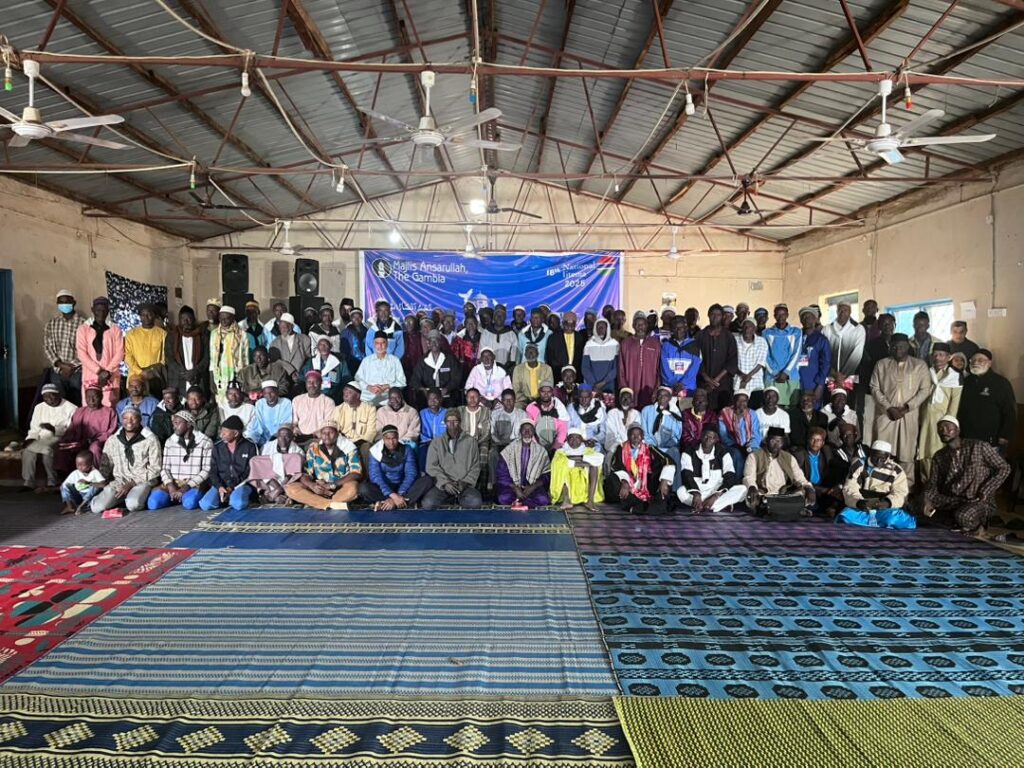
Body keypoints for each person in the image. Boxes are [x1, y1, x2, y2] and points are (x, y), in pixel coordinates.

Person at [922, 415, 1011, 533]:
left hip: (977, 500)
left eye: (948, 427)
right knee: (916, 507)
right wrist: (927, 499)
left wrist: (985, 491)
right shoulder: (939, 456)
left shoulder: (979, 446)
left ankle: (978, 523)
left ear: (958, 430)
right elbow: (933, 483)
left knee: (963, 516)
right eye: (940, 429)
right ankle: (951, 520)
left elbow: (1004, 468)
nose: (944, 431)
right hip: (952, 500)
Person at [871, 333, 932, 482]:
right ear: (890, 347)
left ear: (908, 347)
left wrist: (906, 408)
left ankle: (906, 488)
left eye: (902, 346)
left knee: (907, 452)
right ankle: (881, 484)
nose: (898, 349)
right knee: (883, 450)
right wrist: (889, 407)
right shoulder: (881, 364)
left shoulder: (919, 365)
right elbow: (874, 387)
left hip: (909, 415)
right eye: (894, 347)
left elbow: (925, 390)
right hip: (886, 415)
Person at [90, 406, 162, 514]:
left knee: (133, 504)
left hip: (142, 480)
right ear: (121, 420)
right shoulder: (113, 440)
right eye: (125, 418)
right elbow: (105, 465)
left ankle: (138, 496)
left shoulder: (150, 439)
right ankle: (119, 499)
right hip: (120, 481)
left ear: (140, 419)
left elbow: (156, 468)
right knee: (97, 507)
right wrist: (99, 480)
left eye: (133, 418)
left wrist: (132, 483)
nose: (129, 421)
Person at [836, 439, 915, 529]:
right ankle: (879, 523)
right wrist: (859, 502)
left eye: (882, 458)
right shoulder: (859, 464)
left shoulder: (896, 470)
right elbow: (850, 487)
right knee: (845, 516)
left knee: (892, 518)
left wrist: (888, 503)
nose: (878, 461)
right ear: (870, 453)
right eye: (875, 457)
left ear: (888, 456)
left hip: (885, 508)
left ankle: (874, 521)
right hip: (863, 507)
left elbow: (901, 493)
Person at [285, 420, 362, 509]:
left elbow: (356, 473)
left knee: (353, 488)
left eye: (331, 432)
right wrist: (312, 485)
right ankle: (332, 504)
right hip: (319, 489)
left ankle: (319, 503)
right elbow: (305, 474)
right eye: (324, 433)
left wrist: (332, 485)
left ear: (337, 434)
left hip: (339, 488)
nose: (327, 436)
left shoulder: (348, 447)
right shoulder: (314, 449)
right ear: (320, 435)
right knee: (290, 488)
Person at [146, 410, 213, 510]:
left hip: (194, 484)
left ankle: (182, 497)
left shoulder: (205, 442)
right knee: (153, 503)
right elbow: (165, 469)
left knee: (189, 503)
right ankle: (173, 497)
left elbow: (206, 470)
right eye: (173, 424)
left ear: (189, 424)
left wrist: (186, 487)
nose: (174, 427)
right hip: (174, 483)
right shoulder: (170, 441)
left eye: (177, 423)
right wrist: (170, 486)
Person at [604, 423, 674, 515]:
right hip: (628, 486)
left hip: (647, 486)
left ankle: (636, 506)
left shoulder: (650, 448)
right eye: (633, 435)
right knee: (612, 480)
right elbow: (616, 466)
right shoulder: (621, 448)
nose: (636, 438)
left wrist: (664, 481)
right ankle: (641, 505)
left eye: (639, 435)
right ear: (628, 436)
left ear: (643, 436)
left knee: (665, 481)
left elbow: (668, 460)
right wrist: (625, 482)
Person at [916, 342, 962, 482]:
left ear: (948, 357)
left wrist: (948, 426)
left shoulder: (954, 376)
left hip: (941, 423)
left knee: (937, 452)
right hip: (924, 420)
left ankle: (937, 484)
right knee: (923, 451)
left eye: (941, 355)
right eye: (935, 355)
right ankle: (925, 484)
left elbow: (954, 403)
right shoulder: (926, 372)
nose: (937, 358)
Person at [743, 427, 815, 515]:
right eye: (773, 440)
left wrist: (809, 488)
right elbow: (749, 477)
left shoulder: (789, 458)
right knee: (751, 495)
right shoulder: (754, 456)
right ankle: (793, 509)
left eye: (779, 441)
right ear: (766, 440)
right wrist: (752, 487)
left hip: (784, 494)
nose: (776, 444)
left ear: (783, 443)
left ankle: (772, 509)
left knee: (802, 492)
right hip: (763, 494)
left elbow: (800, 477)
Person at [677, 424, 747, 514]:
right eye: (705, 436)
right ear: (701, 436)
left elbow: (730, 476)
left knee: (743, 489)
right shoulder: (689, 452)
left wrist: (715, 495)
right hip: (697, 491)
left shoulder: (722, 453)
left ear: (716, 439)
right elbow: (687, 475)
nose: (708, 439)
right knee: (680, 492)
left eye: (711, 437)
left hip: (716, 491)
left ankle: (703, 505)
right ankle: (713, 505)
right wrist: (696, 494)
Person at [21, 384, 78, 492]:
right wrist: (30, 438)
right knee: (27, 451)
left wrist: (54, 429)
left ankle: (52, 481)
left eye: (52, 395)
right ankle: (28, 482)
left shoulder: (71, 408)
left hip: (60, 437)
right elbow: (34, 428)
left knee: (47, 450)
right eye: (46, 396)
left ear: (59, 394)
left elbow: (71, 430)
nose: (49, 399)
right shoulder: (39, 407)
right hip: (41, 437)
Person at [360, 424, 433, 509]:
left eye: (394, 438)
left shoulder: (407, 449)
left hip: (404, 486)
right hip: (384, 488)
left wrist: (399, 494)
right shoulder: (375, 451)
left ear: (398, 437)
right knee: (363, 488)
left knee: (427, 480)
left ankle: (388, 504)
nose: (391, 442)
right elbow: (376, 477)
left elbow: (410, 474)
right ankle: (403, 503)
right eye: (388, 439)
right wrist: (393, 495)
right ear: (383, 439)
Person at [422, 410, 483, 508]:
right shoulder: (436, 442)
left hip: (463, 485)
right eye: (449, 421)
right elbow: (431, 467)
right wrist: (445, 483)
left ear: (460, 422)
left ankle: (457, 498)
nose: (452, 424)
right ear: (445, 423)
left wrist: (464, 483)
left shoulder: (471, 441)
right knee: (428, 503)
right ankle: (451, 498)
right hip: (444, 486)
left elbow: (475, 466)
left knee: (476, 502)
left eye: (455, 421)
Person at [957, 349, 1015, 451]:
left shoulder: (1001, 383)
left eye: (980, 360)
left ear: (989, 363)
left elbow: (1010, 411)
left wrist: (1004, 435)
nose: (975, 363)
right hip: (966, 438)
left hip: (991, 440)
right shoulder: (966, 382)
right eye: (973, 360)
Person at [55, 383, 118, 474]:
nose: (91, 400)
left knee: (94, 447)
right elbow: (72, 428)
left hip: (99, 442)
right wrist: (66, 439)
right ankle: (64, 476)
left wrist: (97, 440)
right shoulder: (79, 411)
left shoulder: (109, 411)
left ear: (101, 396)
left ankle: (97, 475)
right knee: (61, 446)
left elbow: (111, 431)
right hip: (80, 441)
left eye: (95, 397)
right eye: (88, 397)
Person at [198, 415, 258, 511]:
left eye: (225, 432)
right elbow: (213, 471)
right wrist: (219, 487)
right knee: (206, 505)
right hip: (222, 484)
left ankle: (235, 498)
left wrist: (231, 487)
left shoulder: (250, 446)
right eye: (221, 432)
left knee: (238, 503)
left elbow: (250, 472)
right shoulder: (217, 447)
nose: (221, 435)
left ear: (236, 433)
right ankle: (225, 499)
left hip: (242, 484)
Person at [75, 296, 124, 408]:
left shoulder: (115, 329)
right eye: (98, 310)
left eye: (104, 310)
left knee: (110, 406)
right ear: (92, 310)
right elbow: (81, 353)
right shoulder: (83, 329)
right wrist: (99, 371)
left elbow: (120, 352)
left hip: (110, 375)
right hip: (90, 374)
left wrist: (107, 372)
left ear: (108, 310)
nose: (101, 313)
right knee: (91, 405)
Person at [492, 421, 551, 509]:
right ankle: (525, 502)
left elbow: (546, 474)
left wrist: (533, 486)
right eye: (524, 429)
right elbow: (501, 473)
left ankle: (518, 502)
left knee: (543, 500)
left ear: (533, 432)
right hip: (512, 487)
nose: (527, 432)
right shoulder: (510, 449)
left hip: (532, 487)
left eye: (530, 430)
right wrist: (515, 488)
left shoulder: (541, 451)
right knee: (503, 498)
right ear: (520, 431)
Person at [43, 289, 84, 405]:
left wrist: (71, 366)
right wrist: (61, 365)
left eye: (67, 301)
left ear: (74, 302)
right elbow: (47, 347)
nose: (64, 304)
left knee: (78, 402)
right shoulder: (51, 324)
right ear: (57, 304)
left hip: (78, 371)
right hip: (57, 370)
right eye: (61, 302)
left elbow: (86, 349)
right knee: (59, 403)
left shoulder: (84, 324)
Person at [859, 312, 895, 443]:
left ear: (895, 325)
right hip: (872, 390)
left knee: (888, 422)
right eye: (884, 323)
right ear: (879, 326)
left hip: (893, 392)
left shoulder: (901, 343)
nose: (887, 326)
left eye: (890, 323)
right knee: (869, 421)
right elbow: (865, 368)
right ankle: (869, 448)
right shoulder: (871, 345)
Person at [693, 304, 737, 411]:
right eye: (712, 314)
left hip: (722, 383)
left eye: (718, 315)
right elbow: (695, 359)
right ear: (708, 315)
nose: (715, 317)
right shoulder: (700, 336)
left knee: (723, 413)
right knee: (703, 412)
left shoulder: (728, 336)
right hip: (703, 383)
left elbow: (732, 360)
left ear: (722, 316)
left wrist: (716, 379)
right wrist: (707, 378)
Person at [247, 423, 304, 504]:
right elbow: (263, 469)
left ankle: (274, 496)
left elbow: (295, 474)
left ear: (292, 437)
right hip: (270, 482)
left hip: (287, 482)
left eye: (287, 436)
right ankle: (277, 495)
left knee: (297, 457)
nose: (283, 439)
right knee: (254, 460)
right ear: (277, 436)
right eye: (280, 436)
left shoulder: (298, 451)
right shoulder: (267, 447)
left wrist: (279, 488)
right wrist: (277, 489)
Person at [823, 300, 865, 410]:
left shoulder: (858, 329)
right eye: (840, 310)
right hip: (830, 376)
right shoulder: (827, 329)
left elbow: (857, 354)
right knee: (829, 407)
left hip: (849, 377)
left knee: (847, 407)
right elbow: (823, 354)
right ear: (836, 311)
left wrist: (842, 376)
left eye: (845, 310)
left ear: (850, 312)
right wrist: (833, 373)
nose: (842, 312)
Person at [550, 427, 604, 511]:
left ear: (582, 440)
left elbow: (597, 460)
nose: (574, 440)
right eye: (571, 438)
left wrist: (573, 460)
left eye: (577, 438)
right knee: (562, 469)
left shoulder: (588, 450)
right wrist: (583, 462)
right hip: (568, 478)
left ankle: (590, 501)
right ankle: (566, 499)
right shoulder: (560, 451)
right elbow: (557, 464)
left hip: (583, 477)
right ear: (567, 439)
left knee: (594, 467)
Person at [793, 427, 842, 516]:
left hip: (823, 489)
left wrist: (835, 487)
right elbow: (798, 479)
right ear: (808, 440)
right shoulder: (800, 454)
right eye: (813, 439)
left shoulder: (826, 454)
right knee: (806, 498)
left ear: (823, 443)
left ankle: (827, 508)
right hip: (807, 488)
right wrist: (819, 489)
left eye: (818, 440)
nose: (815, 443)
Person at [763, 304, 802, 408]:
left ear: (787, 315)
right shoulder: (766, 333)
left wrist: (786, 372)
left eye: (783, 314)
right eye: (778, 314)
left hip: (791, 376)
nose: (781, 317)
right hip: (772, 377)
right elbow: (765, 355)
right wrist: (775, 372)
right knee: (772, 406)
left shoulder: (796, 332)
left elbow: (796, 353)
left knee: (791, 407)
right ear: (774, 316)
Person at [619, 313, 661, 408]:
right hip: (631, 385)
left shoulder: (655, 343)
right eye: (637, 324)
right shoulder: (626, 343)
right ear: (633, 326)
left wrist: (657, 388)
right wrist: (624, 387)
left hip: (650, 386)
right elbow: (621, 368)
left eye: (643, 324)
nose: (640, 327)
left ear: (647, 325)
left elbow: (659, 368)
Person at [165, 306, 210, 397]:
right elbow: (169, 358)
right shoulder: (172, 336)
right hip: (178, 378)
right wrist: (183, 373)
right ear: (179, 320)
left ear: (194, 320)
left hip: (198, 377)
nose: (186, 322)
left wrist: (195, 371)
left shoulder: (203, 335)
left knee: (198, 401)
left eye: (189, 319)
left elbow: (207, 356)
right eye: (183, 319)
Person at [123, 303, 167, 395]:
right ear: (140, 316)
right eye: (143, 315)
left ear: (154, 315)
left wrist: (153, 371)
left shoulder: (162, 333)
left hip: (155, 376)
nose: (146, 317)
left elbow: (165, 355)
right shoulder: (131, 334)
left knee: (155, 401)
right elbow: (127, 355)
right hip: (135, 376)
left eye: (149, 314)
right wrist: (140, 372)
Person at [409, 331, 459, 408]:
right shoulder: (422, 361)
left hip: (447, 395)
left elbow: (456, 378)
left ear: (440, 342)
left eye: (436, 341)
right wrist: (423, 389)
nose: (434, 344)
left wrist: (447, 389)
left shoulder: (450, 359)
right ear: (428, 344)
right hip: (428, 397)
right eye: (431, 341)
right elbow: (415, 379)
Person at [209, 304, 248, 404]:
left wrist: (243, 379)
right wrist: (211, 379)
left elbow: (245, 358)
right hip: (219, 375)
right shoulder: (214, 334)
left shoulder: (241, 334)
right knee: (221, 404)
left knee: (234, 401)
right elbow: (212, 359)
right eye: (221, 318)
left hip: (235, 374)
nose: (223, 321)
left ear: (233, 318)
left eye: (227, 318)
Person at [356, 332, 407, 407]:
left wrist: (388, 386)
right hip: (368, 399)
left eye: (383, 343)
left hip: (388, 399)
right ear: (374, 344)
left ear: (387, 344)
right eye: (377, 343)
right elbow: (358, 379)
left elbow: (402, 382)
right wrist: (369, 387)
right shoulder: (366, 361)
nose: (380, 346)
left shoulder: (395, 360)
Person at [333, 382, 377, 469]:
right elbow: (335, 429)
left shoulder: (370, 409)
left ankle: (366, 475)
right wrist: (344, 441)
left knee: (366, 448)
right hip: (344, 441)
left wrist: (358, 442)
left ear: (357, 396)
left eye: (349, 392)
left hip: (361, 442)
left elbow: (371, 431)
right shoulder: (338, 409)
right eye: (345, 391)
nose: (345, 394)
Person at [718, 390, 762, 476]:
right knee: (737, 454)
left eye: (744, 401)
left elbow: (756, 434)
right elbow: (723, 436)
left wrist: (749, 447)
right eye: (738, 400)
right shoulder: (725, 413)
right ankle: (738, 480)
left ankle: (753, 479)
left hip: (749, 445)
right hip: (731, 445)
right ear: (734, 400)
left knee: (755, 453)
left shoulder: (752, 414)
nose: (741, 403)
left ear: (747, 401)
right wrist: (737, 446)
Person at [640, 385, 684, 469]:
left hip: (668, 448)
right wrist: (654, 446)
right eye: (660, 395)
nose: (662, 397)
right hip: (651, 447)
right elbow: (644, 432)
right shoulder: (647, 411)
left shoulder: (675, 413)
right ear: (657, 396)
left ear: (670, 398)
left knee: (674, 452)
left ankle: (676, 477)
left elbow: (676, 435)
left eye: (665, 395)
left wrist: (665, 447)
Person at [796, 307, 831, 407]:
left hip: (813, 383)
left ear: (815, 319)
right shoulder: (796, 337)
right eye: (804, 317)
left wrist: (820, 385)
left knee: (812, 410)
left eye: (809, 317)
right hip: (795, 382)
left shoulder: (821, 340)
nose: (806, 319)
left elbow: (826, 364)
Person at [292, 370, 338, 446]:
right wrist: (295, 428)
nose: (312, 385)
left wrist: (314, 435)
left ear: (321, 383)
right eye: (309, 382)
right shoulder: (297, 400)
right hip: (299, 438)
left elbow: (328, 425)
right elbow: (294, 422)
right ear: (305, 384)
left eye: (315, 382)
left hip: (318, 440)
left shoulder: (328, 402)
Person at [458, 388, 491, 489]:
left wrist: (476, 442)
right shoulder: (460, 411)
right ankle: (464, 486)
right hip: (463, 442)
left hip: (481, 442)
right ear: (466, 398)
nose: (472, 399)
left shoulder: (486, 411)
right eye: (470, 397)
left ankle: (482, 487)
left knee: (483, 458)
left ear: (479, 398)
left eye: (475, 397)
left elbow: (486, 432)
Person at [660, 316, 701, 397]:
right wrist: (673, 383)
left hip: (688, 387)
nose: (678, 330)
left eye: (680, 328)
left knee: (686, 405)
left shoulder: (694, 345)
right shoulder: (666, 345)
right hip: (670, 388)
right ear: (671, 330)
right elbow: (664, 367)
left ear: (686, 328)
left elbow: (695, 367)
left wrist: (682, 384)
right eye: (675, 328)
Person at [245, 380, 294, 447]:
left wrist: (274, 438)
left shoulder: (286, 402)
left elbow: (286, 423)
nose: (269, 396)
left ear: (277, 392)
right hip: (262, 437)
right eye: (265, 393)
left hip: (280, 438)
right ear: (263, 394)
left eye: (272, 392)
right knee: (250, 440)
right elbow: (258, 423)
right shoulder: (260, 403)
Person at [59, 449, 107, 515]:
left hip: (90, 498)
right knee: (64, 486)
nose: (79, 467)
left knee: (95, 486)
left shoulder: (95, 472)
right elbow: (64, 485)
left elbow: (103, 484)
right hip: (78, 496)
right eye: (77, 464)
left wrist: (89, 483)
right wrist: (63, 488)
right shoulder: (75, 473)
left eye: (82, 465)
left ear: (90, 464)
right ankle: (69, 506)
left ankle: (81, 506)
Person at [733, 318, 768, 409]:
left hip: (755, 383)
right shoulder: (735, 340)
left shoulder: (762, 341)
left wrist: (748, 376)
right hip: (738, 381)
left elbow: (761, 362)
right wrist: (742, 375)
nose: (747, 329)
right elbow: (731, 360)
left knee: (754, 410)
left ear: (754, 329)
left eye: (750, 327)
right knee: (738, 410)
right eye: (745, 326)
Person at [304, 337, 350, 403]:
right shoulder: (311, 362)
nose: (323, 347)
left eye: (325, 344)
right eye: (320, 345)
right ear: (317, 347)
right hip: (314, 396)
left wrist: (338, 394)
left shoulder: (339, 362)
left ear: (330, 346)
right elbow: (303, 377)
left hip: (334, 397)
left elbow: (346, 379)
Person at [526, 383, 569, 451]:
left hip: (556, 445)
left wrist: (556, 446)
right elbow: (529, 428)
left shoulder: (558, 406)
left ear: (552, 392)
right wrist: (537, 447)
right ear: (539, 392)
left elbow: (563, 429)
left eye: (549, 392)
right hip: (537, 445)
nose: (546, 394)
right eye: (543, 391)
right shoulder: (531, 407)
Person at [270, 313, 310, 386]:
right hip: (283, 379)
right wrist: (291, 371)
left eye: (285, 327)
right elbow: (275, 361)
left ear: (292, 326)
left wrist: (301, 375)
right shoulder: (275, 342)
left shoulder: (305, 339)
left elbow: (309, 359)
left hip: (301, 378)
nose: (283, 330)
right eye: (281, 327)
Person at [582, 318, 619, 395]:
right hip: (592, 386)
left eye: (603, 327)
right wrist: (594, 384)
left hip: (609, 385)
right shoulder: (589, 345)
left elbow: (616, 367)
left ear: (607, 328)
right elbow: (585, 368)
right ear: (595, 329)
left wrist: (604, 382)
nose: (601, 329)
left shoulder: (615, 344)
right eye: (598, 327)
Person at [547, 310, 586, 382]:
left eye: (572, 324)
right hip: (558, 375)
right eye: (566, 323)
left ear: (575, 324)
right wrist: (563, 370)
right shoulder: (553, 337)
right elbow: (550, 358)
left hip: (576, 376)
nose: (569, 326)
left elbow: (582, 358)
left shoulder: (580, 337)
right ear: (562, 323)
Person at [511, 344, 553, 410]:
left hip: (542, 400)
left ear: (538, 354)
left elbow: (549, 387)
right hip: (523, 401)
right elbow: (516, 389)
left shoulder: (546, 369)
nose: (530, 354)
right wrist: (527, 400)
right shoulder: (518, 369)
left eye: (533, 351)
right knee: (516, 408)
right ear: (525, 355)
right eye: (528, 352)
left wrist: (538, 400)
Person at [480, 305, 518, 373]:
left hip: (506, 370)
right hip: (488, 370)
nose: (499, 317)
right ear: (493, 317)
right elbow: (482, 352)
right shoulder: (486, 333)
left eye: (502, 315)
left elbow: (514, 356)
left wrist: (509, 369)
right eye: (497, 315)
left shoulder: (511, 334)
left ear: (505, 317)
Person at [418, 388, 448, 473]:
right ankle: (425, 474)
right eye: (430, 399)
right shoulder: (422, 413)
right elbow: (421, 432)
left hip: (443, 443)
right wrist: (429, 441)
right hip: (427, 443)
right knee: (423, 455)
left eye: (435, 399)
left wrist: (439, 442)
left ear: (441, 399)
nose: (432, 401)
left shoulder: (447, 412)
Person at [681, 387, 719, 452]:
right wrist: (698, 446)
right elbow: (685, 436)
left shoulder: (712, 415)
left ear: (707, 402)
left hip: (709, 447)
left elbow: (714, 435)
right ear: (693, 402)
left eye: (703, 401)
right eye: (697, 401)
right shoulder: (686, 414)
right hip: (691, 447)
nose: (700, 403)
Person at [569, 384, 606, 449]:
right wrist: (577, 440)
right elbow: (567, 428)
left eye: (587, 397)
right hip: (574, 443)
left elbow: (603, 432)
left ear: (591, 396)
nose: (584, 400)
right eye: (581, 397)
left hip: (594, 444)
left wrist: (594, 439)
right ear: (578, 397)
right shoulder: (571, 408)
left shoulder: (599, 409)